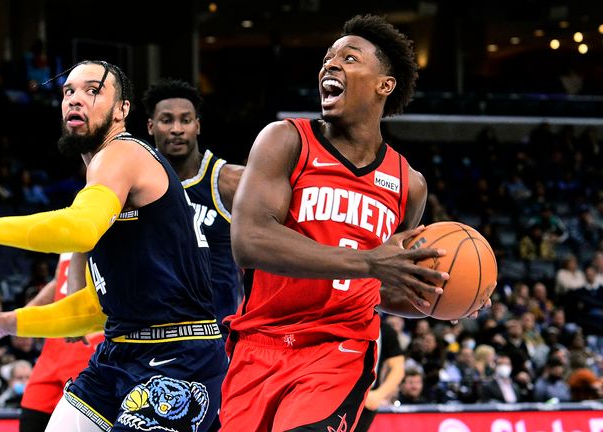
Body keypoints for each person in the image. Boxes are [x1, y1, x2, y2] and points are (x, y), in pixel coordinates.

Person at [0, 60, 226, 432]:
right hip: (119, 352)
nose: (76, 99)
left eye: (93, 90)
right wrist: (4, 323)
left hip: (179, 356)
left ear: (123, 110)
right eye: (68, 91)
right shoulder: (103, 191)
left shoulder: (122, 153)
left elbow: (80, 230)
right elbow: (94, 307)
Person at [220, 15, 471, 431]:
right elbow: (249, 240)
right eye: (327, 59)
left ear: (383, 85)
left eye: (348, 58)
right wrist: (370, 262)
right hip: (258, 345)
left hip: (340, 350)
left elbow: (386, 285)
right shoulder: (286, 140)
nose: (329, 65)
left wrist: (446, 296)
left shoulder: (409, 184)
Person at [142, 78, 245, 336]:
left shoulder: (229, 181)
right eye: (167, 120)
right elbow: (87, 236)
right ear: (150, 126)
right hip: (151, 334)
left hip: (213, 339)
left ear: (197, 126)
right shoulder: (133, 186)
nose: (177, 129)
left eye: (185, 120)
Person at [19, 253, 103, 432]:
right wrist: (28, 311)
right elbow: (59, 280)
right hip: (54, 349)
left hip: (87, 345)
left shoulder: (106, 230)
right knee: (31, 417)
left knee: (79, 422)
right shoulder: (68, 240)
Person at [354, 317, 405, 432]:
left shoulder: (385, 330)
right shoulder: (338, 322)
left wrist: (378, 395)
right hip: (334, 393)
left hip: (366, 398)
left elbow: (398, 368)